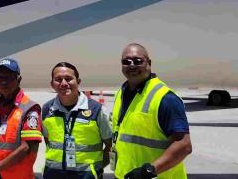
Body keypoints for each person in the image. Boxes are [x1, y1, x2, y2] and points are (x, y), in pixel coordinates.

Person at [111, 44, 191, 179]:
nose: (132, 65)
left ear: (149, 63)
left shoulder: (165, 98)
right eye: (126, 61)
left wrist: (149, 170)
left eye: (138, 61)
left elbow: (184, 145)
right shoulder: (120, 93)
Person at [41, 62, 112, 179]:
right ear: (52, 84)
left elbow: (110, 146)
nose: (64, 83)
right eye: (58, 79)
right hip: (53, 175)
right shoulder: (47, 109)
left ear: (78, 82)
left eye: (68, 79)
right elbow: (48, 141)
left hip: (85, 176)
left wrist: (95, 169)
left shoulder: (96, 110)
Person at [0, 58, 41, 179]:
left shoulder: (30, 108)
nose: (4, 82)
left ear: (19, 79)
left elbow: (26, 147)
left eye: (9, 78)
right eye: (0, 77)